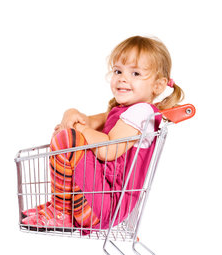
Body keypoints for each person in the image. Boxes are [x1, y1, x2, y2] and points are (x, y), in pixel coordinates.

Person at [22, 35, 184, 230]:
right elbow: (88, 120)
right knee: (67, 137)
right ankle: (61, 206)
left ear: (158, 85)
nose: (123, 78)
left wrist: (78, 129)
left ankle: (61, 210)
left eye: (135, 73)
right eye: (118, 71)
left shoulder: (142, 112)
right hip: (99, 201)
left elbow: (108, 150)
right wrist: (72, 114)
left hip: (106, 207)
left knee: (69, 139)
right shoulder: (123, 110)